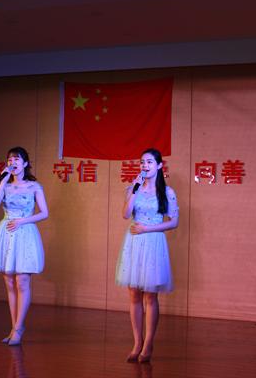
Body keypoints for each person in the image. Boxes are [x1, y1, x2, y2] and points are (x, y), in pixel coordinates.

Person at [115, 148, 179, 363]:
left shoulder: (167, 192)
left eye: (150, 162)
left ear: (159, 165)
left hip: (153, 241)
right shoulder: (133, 188)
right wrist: (134, 189)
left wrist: (147, 229)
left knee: (150, 295)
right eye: (142, 162)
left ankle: (149, 343)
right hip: (134, 242)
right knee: (134, 294)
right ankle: (137, 342)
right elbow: (125, 214)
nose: (145, 165)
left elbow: (173, 222)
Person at [0, 146, 48, 346]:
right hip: (7, 233)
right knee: (9, 282)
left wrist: (23, 221)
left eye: (16, 159)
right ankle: (14, 327)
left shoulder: (34, 186)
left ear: (25, 163)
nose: (12, 163)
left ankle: (19, 327)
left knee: (22, 281)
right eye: (10, 160)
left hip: (25, 232)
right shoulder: (5, 185)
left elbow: (44, 213)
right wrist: (3, 180)